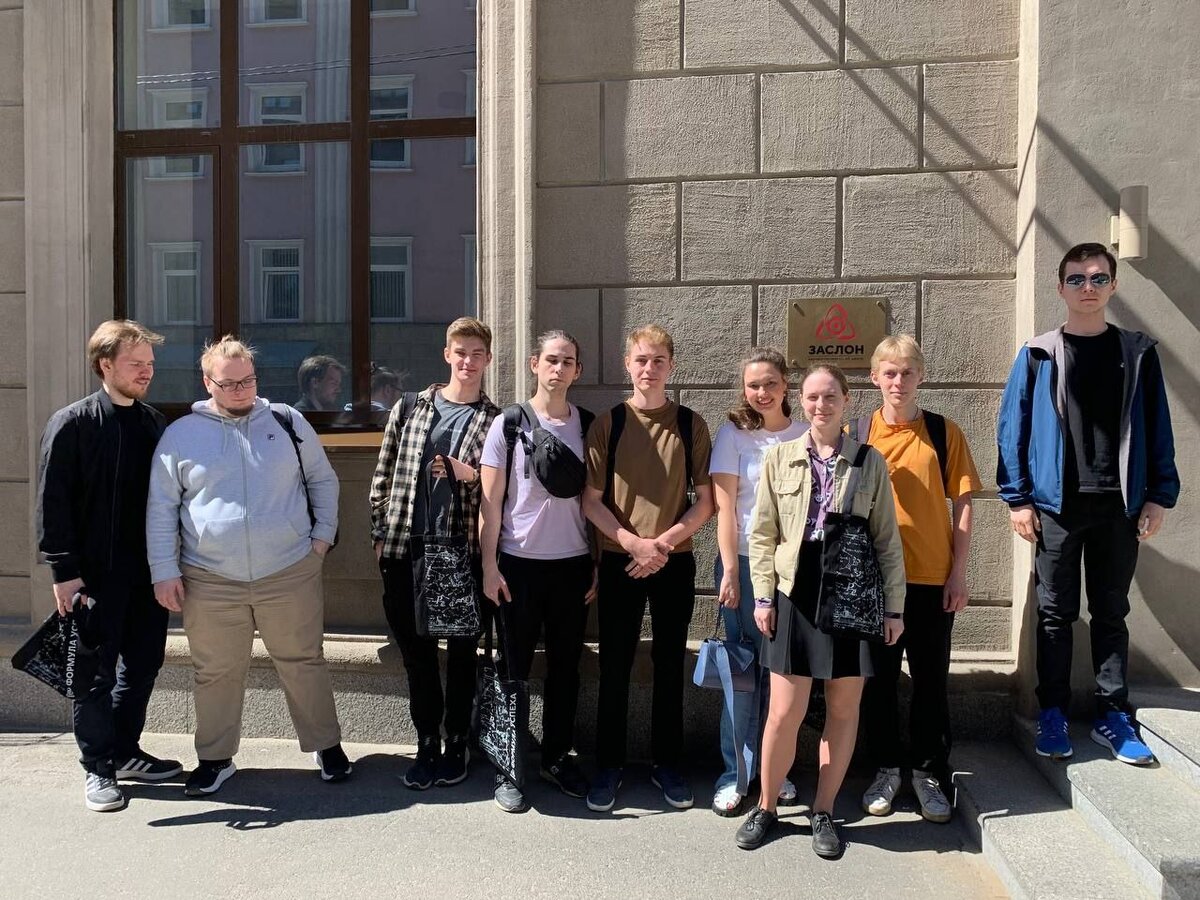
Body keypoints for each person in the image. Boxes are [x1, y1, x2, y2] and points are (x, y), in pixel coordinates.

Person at [997, 242, 1179, 766]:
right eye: (1076, 279)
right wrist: (1018, 499)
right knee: (1055, 615)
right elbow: (1012, 429)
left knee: (1111, 612)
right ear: (1061, 288)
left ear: (1113, 286)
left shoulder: (1137, 353)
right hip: (1056, 506)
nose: (1088, 288)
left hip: (1119, 506)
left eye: (1098, 278)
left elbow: (1158, 426)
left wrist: (1159, 495)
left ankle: (1112, 715)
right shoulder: (1038, 354)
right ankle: (1052, 712)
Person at [147, 336, 351, 796]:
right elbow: (161, 507)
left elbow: (322, 480)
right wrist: (164, 570)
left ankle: (327, 746)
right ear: (208, 383)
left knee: (303, 660)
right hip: (209, 577)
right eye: (229, 383)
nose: (241, 390)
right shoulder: (181, 434)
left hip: (289, 569)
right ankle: (215, 758)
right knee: (215, 670)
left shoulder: (286, 420)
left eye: (248, 380)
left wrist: (320, 540)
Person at [737, 364, 905, 860]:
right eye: (812, 397)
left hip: (851, 592)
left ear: (847, 400)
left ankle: (824, 810)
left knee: (843, 709)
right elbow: (763, 534)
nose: (820, 405)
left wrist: (893, 609)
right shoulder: (780, 457)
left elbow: (887, 541)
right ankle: (766, 806)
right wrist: (763, 597)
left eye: (830, 396)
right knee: (783, 711)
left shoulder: (869, 462)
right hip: (795, 589)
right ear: (802, 400)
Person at [35, 320, 180, 812]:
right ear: (105, 365)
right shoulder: (72, 423)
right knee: (94, 676)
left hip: (147, 574)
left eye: (150, 364)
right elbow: (52, 503)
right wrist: (64, 572)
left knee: (143, 666)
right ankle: (97, 767)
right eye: (136, 364)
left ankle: (124, 751)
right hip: (92, 576)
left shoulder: (154, 424)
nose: (147, 372)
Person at [581, 324, 714, 813]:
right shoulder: (610, 424)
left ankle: (667, 764)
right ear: (627, 365)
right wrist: (633, 543)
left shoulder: (690, 424)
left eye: (658, 361)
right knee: (614, 664)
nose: (649, 369)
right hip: (622, 560)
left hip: (673, 561)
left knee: (669, 664)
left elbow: (706, 502)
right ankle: (609, 765)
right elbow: (591, 501)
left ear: (671, 366)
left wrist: (661, 544)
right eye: (641, 360)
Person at [370, 316, 500, 789]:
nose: (468, 361)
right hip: (406, 548)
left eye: (477, 354)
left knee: (463, 652)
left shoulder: (495, 420)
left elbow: (501, 493)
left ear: (488, 360)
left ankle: (457, 742)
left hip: (461, 550)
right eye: (460, 352)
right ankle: (427, 742)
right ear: (447, 354)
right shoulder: (410, 407)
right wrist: (380, 535)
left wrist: (470, 475)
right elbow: (383, 474)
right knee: (418, 654)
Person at [858, 335, 981, 823]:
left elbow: (964, 504)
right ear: (875, 378)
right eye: (889, 372)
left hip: (931, 578)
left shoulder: (944, 432)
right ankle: (886, 769)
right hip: (874, 581)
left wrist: (958, 573)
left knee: (930, 681)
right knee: (879, 682)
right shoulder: (858, 432)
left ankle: (929, 773)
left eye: (907, 372)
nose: (898, 381)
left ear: (921, 376)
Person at [478, 330, 596, 812]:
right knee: (513, 670)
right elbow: (490, 502)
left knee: (566, 668)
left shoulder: (589, 426)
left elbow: (597, 504)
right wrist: (489, 565)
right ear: (534, 364)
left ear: (577, 371)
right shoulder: (508, 424)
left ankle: (557, 757)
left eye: (568, 361)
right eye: (551, 359)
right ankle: (509, 765)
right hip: (517, 566)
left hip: (572, 566)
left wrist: (596, 563)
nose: (558, 368)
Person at [708, 348, 808, 816]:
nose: (762, 392)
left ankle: (775, 770)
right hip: (746, 566)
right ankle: (734, 774)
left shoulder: (806, 433)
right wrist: (730, 569)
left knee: (782, 676)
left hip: (793, 570)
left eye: (770, 383)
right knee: (743, 673)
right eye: (753, 385)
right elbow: (725, 509)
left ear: (786, 384)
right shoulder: (733, 435)